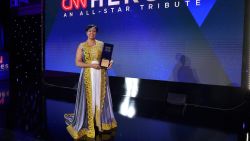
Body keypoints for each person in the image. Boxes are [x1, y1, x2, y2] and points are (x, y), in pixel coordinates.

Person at [64, 24, 117, 139]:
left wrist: (109, 63)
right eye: (89, 31)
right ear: (86, 32)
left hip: (101, 74)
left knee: (99, 97)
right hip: (88, 74)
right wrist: (91, 65)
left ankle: (99, 122)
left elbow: (105, 59)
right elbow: (78, 63)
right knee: (89, 98)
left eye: (93, 31)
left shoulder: (101, 44)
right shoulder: (82, 45)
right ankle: (87, 123)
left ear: (96, 33)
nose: (91, 33)